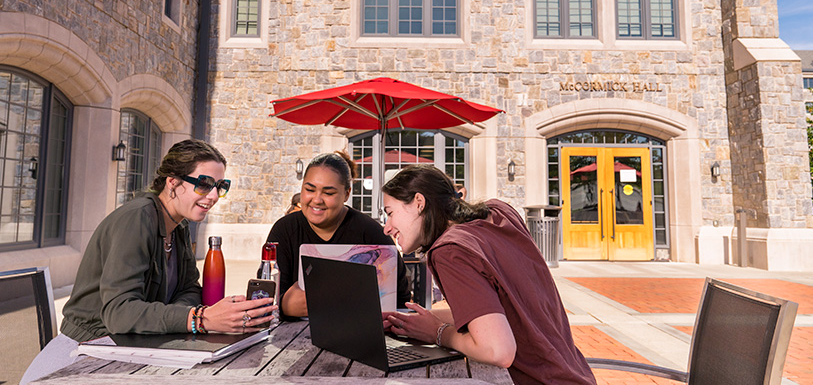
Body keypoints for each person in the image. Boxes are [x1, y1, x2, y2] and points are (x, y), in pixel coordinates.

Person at [21, 139, 276, 385]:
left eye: (220, 186)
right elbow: (119, 313)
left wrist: (188, 316)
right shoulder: (137, 219)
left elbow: (189, 289)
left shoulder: (178, 226)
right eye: (204, 184)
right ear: (173, 182)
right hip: (83, 354)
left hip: (135, 349)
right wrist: (199, 318)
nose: (213, 196)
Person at [381, 165, 596, 385]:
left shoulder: (450, 251)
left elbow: (497, 350)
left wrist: (437, 332)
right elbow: (496, 312)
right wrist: (413, 319)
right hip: (576, 375)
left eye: (390, 213)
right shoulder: (501, 213)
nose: (386, 228)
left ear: (419, 202)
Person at [265, 151, 411, 319]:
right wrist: (284, 305)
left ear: (347, 194)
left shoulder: (371, 234)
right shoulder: (284, 230)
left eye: (328, 193)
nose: (317, 200)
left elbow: (400, 299)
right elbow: (266, 295)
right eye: (309, 189)